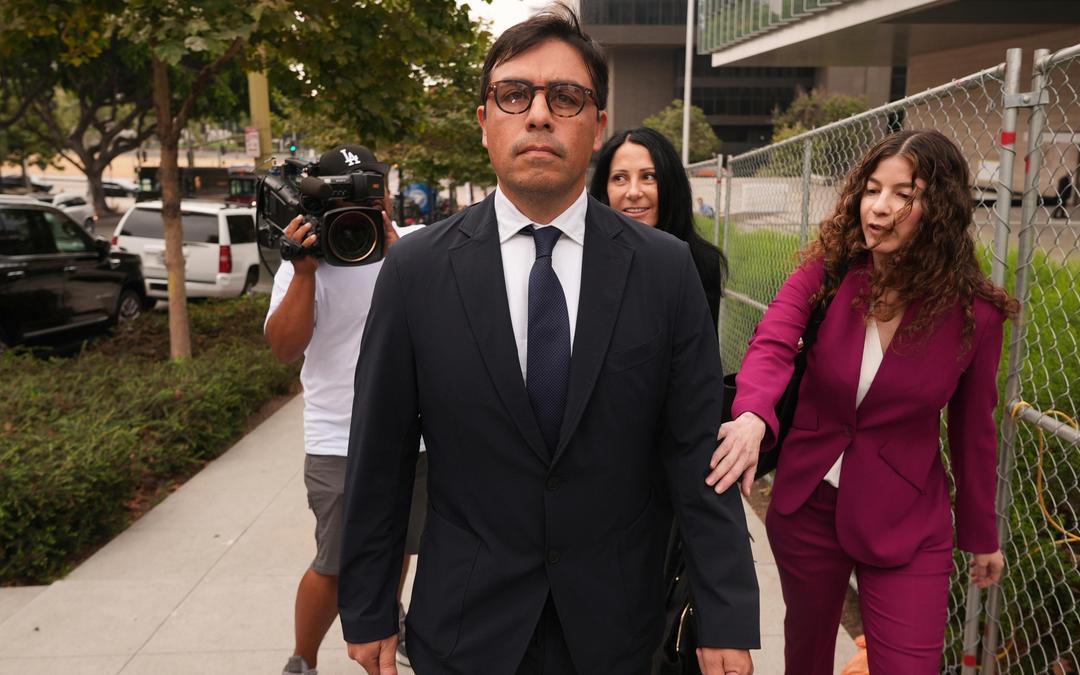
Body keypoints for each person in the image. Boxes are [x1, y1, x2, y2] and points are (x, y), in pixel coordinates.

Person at [338, 6, 759, 675]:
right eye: (514, 94)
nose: (538, 115)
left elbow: (694, 453)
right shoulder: (416, 270)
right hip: (465, 624)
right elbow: (379, 453)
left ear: (597, 125)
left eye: (565, 97)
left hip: (617, 626)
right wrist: (366, 603)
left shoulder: (664, 269)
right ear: (484, 121)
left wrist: (726, 611)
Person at [708, 130, 1017, 672]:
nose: (879, 207)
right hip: (808, 504)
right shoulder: (828, 271)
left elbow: (973, 430)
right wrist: (753, 412)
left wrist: (981, 534)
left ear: (940, 209)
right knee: (807, 657)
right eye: (872, 189)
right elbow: (773, 339)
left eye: (903, 194)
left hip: (907, 519)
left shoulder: (976, 315)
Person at [264, 144, 426, 675]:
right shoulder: (306, 260)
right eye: (346, 199)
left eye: (372, 196)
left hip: (413, 436)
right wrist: (304, 272)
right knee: (335, 565)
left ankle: (387, 621)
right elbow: (284, 348)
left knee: (397, 546)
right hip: (339, 440)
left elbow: (444, 327)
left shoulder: (415, 247)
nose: (361, 210)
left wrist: (399, 253)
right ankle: (303, 660)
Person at [590, 126, 727, 328]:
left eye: (648, 176)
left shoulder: (703, 264)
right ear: (604, 190)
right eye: (620, 178)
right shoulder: (585, 260)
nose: (633, 192)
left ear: (671, 183)